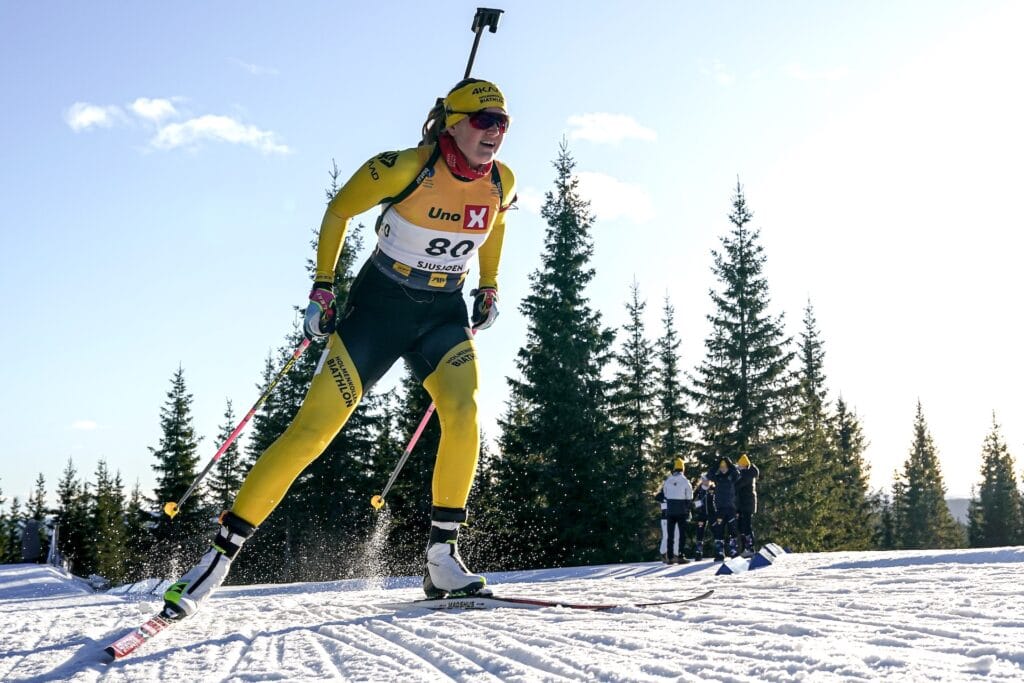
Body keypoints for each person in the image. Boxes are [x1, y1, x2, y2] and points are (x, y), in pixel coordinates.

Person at [162, 78, 517, 620]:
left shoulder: (501, 180)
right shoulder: (403, 167)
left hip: (442, 312)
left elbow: (493, 228)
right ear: (452, 122)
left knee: (464, 410)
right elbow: (338, 211)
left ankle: (443, 559)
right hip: (379, 308)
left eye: (503, 123)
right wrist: (323, 286)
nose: (495, 133)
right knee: (313, 430)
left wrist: (487, 286)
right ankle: (217, 558)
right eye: (483, 121)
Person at [658, 458, 693, 564]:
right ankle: (680, 556)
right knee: (682, 535)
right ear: (683, 469)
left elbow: (665, 493)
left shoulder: (668, 480)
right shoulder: (685, 481)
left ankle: (669, 557)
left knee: (670, 535)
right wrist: (688, 508)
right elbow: (689, 495)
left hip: (670, 510)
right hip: (681, 510)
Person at [708, 456, 740, 561]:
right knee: (719, 530)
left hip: (731, 507)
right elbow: (709, 475)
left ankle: (733, 551)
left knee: (733, 530)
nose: (723, 469)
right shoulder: (717, 477)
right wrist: (716, 464)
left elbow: (737, 474)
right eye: (721, 467)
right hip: (720, 508)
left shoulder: (732, 475)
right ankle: (719, 552)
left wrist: (730, 465)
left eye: (724, 467)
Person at [735, 453, 759, 558]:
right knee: (742, 526)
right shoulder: (746, 474)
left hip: (747, 504)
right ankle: (746, 547)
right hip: (743, 504)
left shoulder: (747, 475)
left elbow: (737, 485)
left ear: (744, 466)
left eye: (740, 466)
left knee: (746, 526)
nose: (738, 468)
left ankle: (750, 547)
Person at [691, 474, 716, 560]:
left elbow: (717, 499)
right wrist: (697, 506)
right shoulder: (699, 489)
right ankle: (699, 551)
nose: (705, 481)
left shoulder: (713, 488)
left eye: (707, 480)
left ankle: (718, 549)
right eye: (704, 479)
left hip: (712, 513)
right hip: (701, 514)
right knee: (700, 530)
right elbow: (692, 499)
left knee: (715, 529)